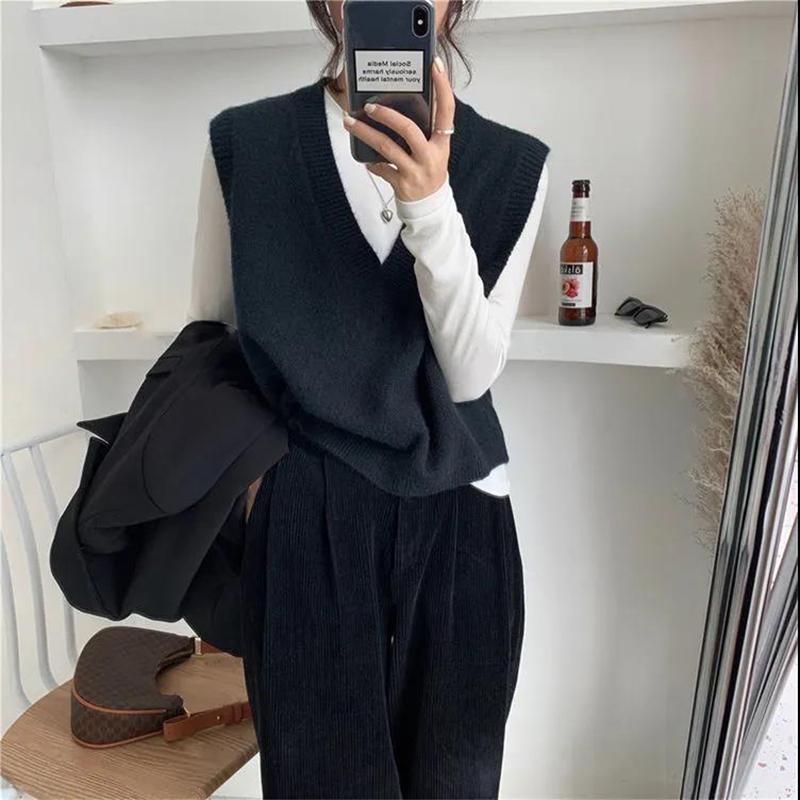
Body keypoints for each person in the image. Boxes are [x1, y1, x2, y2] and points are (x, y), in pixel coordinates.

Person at [185, 2, 550, 796]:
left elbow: (470, 375)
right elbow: (214, 344)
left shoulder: (514, 163)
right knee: (321, 782)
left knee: (455, 782)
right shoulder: (245, 144)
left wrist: (431, 205)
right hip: (304, 504)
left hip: (461, 508)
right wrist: (253, 500)